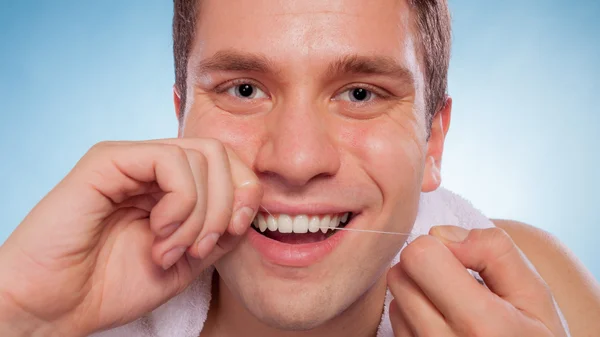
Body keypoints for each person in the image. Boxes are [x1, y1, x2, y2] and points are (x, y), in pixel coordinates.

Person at [1, 0, 599, 336]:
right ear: (180, 117)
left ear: (433, 140)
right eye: (243, 89)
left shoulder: (534, 298)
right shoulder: (57, 295)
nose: (295, 159)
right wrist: (19, 314)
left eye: (361, 94)